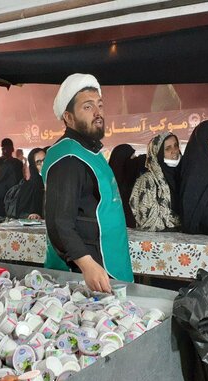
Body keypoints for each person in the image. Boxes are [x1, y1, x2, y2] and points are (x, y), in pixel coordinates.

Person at [42, 73, 133, 291]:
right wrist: (87, 264)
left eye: (100, 105)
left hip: (105, 263)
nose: (98, 112)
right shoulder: (69, 157)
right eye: (87, 107)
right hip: (85, 274)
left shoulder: (89, 151)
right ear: (68, 117)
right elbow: (59, 222)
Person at [129, 132, 181, 231]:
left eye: (175, 146)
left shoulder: (182, 175)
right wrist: (178, 222)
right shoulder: (147, 181)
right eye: (167, 148)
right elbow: (147, 220)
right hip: (158, 242)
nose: (174, 151)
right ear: (157, 153)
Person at [108, 144, 141, 228]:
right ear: (122, 161)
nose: (135, 160)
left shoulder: (137, 183)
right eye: (132, 157)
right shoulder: (107, 187)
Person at [12, 147, 45, 219]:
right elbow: (21, 212)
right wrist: (32, 215)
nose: (43, 164)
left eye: (45, 160)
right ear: (34, 166)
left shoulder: (58, 183)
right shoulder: (29, 187)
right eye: (38, 162)